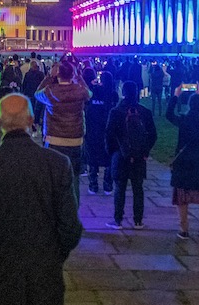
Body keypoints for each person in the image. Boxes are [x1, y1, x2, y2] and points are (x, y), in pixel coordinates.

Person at [0, 94, 83, 305]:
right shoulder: (57, 163)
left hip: (4, 274)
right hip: (46, 271)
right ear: (31, 120)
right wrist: (52, 256)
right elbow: (70, 226)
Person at [34, 60, 92, 206]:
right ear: (72, 74)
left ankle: (54, 211)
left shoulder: (50, 91)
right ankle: (73, 213)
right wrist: (79, 77)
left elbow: (36, 94)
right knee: (74, 179)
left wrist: (48, 76)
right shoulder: (80, 91)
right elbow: (89, 93)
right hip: (75, 139)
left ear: (57, 74)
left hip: (54, 139)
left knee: (52, 179)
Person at [105, 80, 157, 230]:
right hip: (139, 156)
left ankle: (118, 220)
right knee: (138, 188)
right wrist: (145, 150)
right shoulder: (144, 112)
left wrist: (112, 151)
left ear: (123, 93)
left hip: (120, 155)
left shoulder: (115, 112)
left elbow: (109, 134)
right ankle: (138, 220)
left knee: (120, 188)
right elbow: (153, 134)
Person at [165, 85, 199, 239]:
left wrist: (175, 95)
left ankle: (184, 228)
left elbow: (168, 114)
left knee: (182, 197)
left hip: (184, 162)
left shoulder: (184, 120)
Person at [83, 69, 116, 195]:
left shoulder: (95, 91)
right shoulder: (113, 94)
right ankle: (108, 185)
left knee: (93, 158)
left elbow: (87, 94)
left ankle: (93, 185)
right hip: (107, 130)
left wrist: (92, 84)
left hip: (93, 128)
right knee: (108, 159)